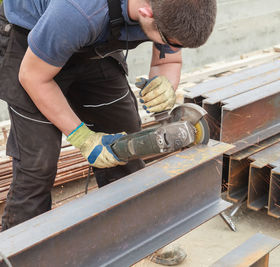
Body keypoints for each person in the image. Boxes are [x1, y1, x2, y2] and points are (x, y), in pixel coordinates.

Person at [0, 0, 216, 230]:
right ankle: (17, 253)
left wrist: (166, 83)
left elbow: (170, 58)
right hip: (34, 44)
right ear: (147, 12)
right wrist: (82, 137)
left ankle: (134, 234)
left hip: (89, 44)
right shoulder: (78, 11)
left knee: (127, 142)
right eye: (168, 41)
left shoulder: (170, 10)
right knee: (37, 165)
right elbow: (33, 77)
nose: (170, 46)